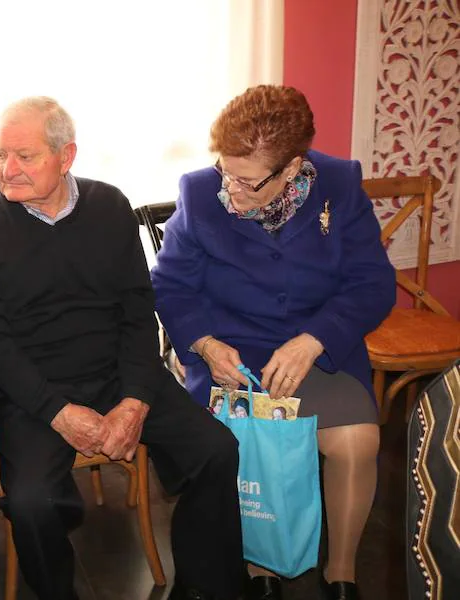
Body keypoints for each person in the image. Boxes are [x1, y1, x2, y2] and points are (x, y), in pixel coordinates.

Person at [0, 96, 244, 600]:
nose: (8, 169)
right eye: (0, 154)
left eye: (25, 156)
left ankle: (201, 587)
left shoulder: (109, 206)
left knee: (217, 450)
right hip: (34, 389)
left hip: (118, 373)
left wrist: (134, 400)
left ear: (66, 156)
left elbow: (137, 311)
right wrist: (59, 413)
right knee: (30, 502)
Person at [152, 85, 395, 600]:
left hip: (318, 351)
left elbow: (373, 284)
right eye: (225, 171)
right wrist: (204, 344)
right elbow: (171, 285)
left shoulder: (339, 184)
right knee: (236, 448)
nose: (230, 191)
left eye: (246, 181)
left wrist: (315, 339)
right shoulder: (199, 193)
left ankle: (342, 573)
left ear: (292, 168)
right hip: (233, 357)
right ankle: (258, 562)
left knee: (356, 441)